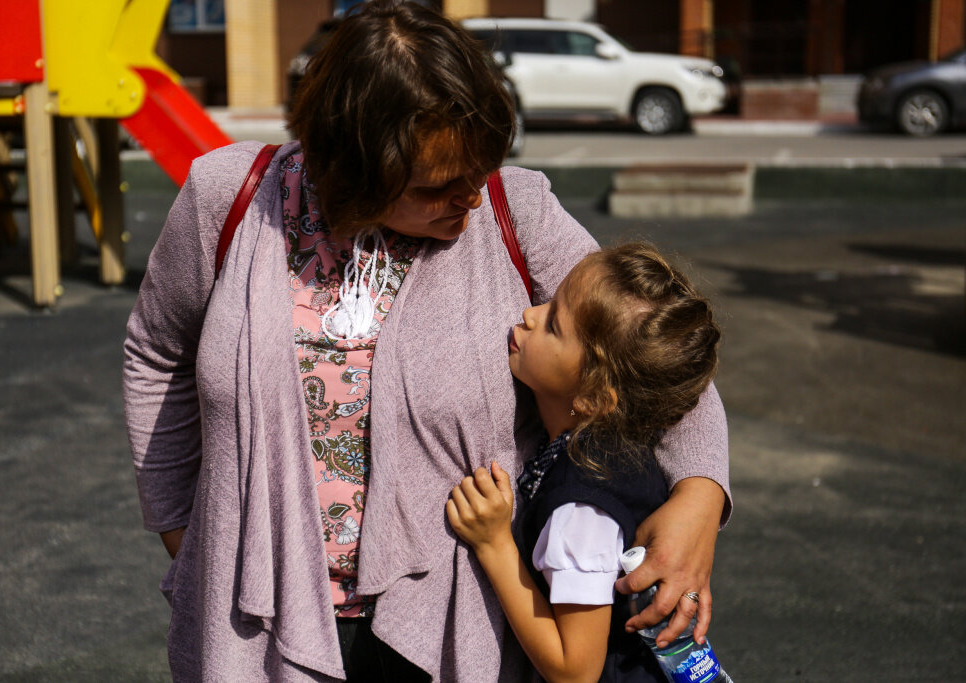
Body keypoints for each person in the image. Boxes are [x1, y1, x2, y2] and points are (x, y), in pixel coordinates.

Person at [122, 2, 730, 680]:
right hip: (254, 614)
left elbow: (652, 353)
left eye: (480, 171)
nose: (470, 198)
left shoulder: (512, 209)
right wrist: (181, 528)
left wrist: (698, 497)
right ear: (355, 171)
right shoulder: (228, 199)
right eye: (438, 186)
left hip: (453, 620)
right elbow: (157, 353)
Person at [447, 244, 721, 682]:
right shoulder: (614, 452)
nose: (530, 314)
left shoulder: (581, 511)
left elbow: (576, 671)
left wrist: (494, 546)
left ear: (594, 395)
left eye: (554, 325)